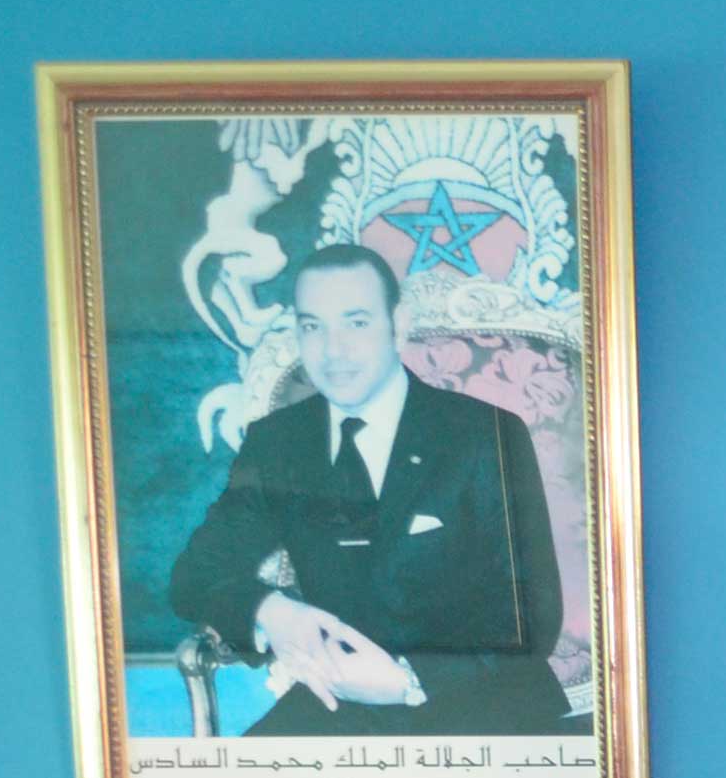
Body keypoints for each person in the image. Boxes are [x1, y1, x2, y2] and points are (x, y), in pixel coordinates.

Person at [164, 243, 570, 737]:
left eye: (356, 323)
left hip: (484, 709)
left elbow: (534, 618)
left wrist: (408, 680)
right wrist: (270, 611)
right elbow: (194, 575)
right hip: (338, 709)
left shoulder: (485, 435)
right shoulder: (279, 442)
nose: (333, 351)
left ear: (397, 325)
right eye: (313, 326)